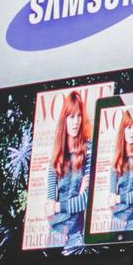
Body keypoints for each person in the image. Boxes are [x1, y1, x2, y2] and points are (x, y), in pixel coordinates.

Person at [46, 92, 92, 248]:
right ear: (64, 119)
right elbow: (48, 208)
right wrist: (73, 200)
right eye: (72, 117)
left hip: (76, 235)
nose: (76, 122)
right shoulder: (57, 154)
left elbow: (86, 200)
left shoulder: (88, 150)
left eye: (79, 116)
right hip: (54, 233)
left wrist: (59, 206)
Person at [108, 109, 133, 232]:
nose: (131, 132)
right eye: (128, 128)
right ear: (123, 130)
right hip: (116, 220)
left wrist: (119, 198)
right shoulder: (116, 157)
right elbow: (111, 200)